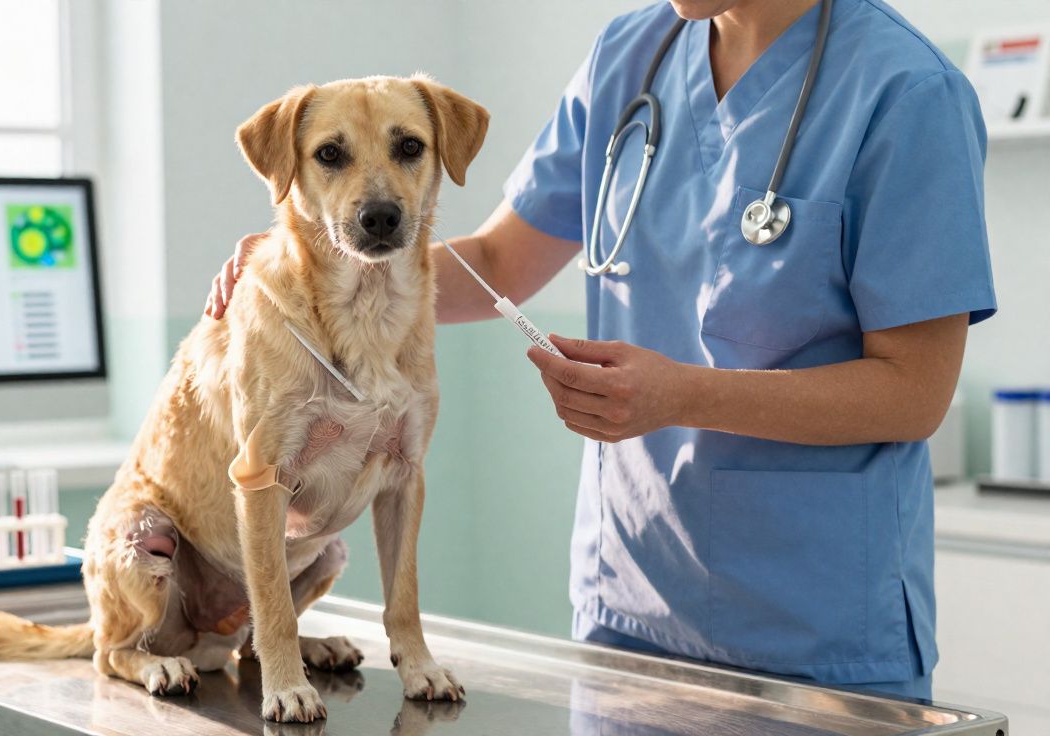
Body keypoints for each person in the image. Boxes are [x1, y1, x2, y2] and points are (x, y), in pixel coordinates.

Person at [207, 0, 995, 700]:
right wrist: (301, 278)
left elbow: (914, 392)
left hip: (815, 634)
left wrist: (682, 396)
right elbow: (500, 265)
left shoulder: (906, 92)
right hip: (631, 606)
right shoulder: (631, 56)